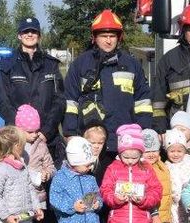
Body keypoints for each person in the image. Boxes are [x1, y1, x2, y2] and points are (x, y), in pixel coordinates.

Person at [63, 9, 152, 169]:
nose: (108, 41)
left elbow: (143, 101)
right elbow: (70, 102)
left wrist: (143, 133)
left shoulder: (131, 64)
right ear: (94, 37)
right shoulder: (80, 64)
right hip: (91, 143)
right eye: (104, 36)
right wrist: (70, 134)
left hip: (125, 144)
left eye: (112, 36)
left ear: (119, 37)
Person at [0, 16, 65, 160]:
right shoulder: (8, 65)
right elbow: (2, 102)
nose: (29, 35)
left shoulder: (51, 64)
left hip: (47, 139)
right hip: (16, 140)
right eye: (25, 31)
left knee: (47, 178)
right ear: (19, 36)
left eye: (33, 31)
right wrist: (22, 132)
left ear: (39, 35)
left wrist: (46, 131)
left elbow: (60, 101)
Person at [151, 3, 190, 132]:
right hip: (177, 127)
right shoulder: (169, 59)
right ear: (183, 30)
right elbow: (158, 100)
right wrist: (160, 129)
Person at [16, 104, 55, 223]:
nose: (34, 134)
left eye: (36, 130)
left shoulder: (42, 145)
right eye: (30, 132)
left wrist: (47, 174)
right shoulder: (13, 146)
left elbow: (51, 166)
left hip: (38, 197)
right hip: (18, 198)